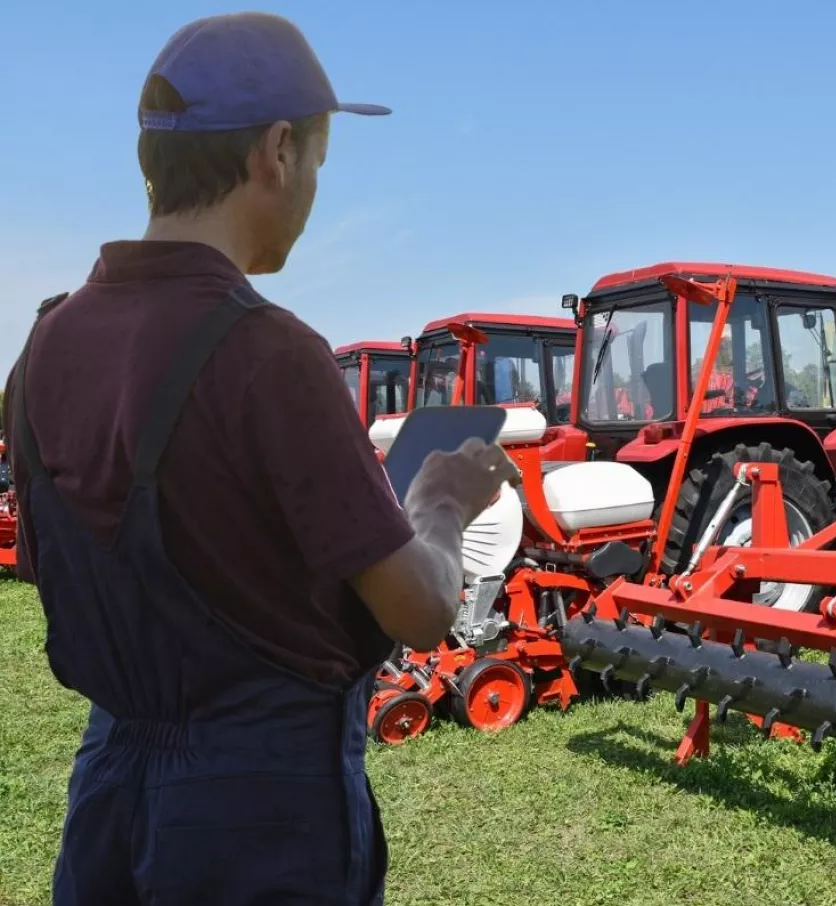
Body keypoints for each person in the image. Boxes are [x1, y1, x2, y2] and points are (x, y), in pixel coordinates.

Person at [3, 12, 517, 905]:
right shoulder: (271, 353)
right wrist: (438, 500)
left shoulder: (43, 346)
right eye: (318, 160)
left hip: (107, 800)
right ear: (277, 151)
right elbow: (423, 611)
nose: (314, 188)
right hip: (256, 816)